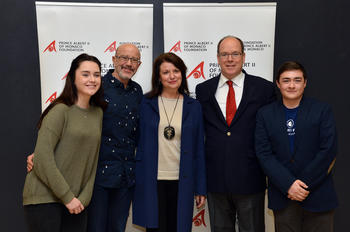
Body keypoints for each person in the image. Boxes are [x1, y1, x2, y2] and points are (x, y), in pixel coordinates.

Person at [27, 43, 143, 232]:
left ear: (139, 64)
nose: (128, 63)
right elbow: (74, 122)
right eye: (124, 58)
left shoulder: (137, 92)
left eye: (134, 60)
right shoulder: (97, 88)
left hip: (125, 177)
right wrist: (39, 154)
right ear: (113, 60)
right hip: (96, 178)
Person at [195, 35, 275, 232]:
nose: (229, 59)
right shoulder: (203, 89)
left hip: (251, 179)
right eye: (224, 54)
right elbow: (200, 134)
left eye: (235, 54)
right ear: (218, 57)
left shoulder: (264, 89)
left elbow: (271, 135)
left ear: (243, 56)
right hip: (216, 181)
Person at [22, 53, 106, 232]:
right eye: (85, 74)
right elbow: (43, 158)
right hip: (45, 199)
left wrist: (83, 198)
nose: (92, 79)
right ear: (72, 78)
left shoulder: (98, 113)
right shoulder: (60, 110)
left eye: (96, 75)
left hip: (77, 202)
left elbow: (93, 161)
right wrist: (67, 197)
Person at [255, 61, 338, 232]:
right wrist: (289, 184)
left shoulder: (322, 110)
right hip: (283, 196)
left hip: (318, 195)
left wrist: (302, 185)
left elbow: (328, 150)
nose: (291, 85)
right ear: (278, 84)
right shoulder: (265, 114)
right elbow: (264, 154)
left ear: (305, 83)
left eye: (297, 80)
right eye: (286, 80)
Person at [132, 52, 206, 232]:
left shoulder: (193, 107)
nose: (172, 76)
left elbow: (199, 150)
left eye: (176, 71)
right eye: (166, 72)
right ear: (158, 77)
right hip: (152, 180)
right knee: (155, 228)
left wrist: (200, 188)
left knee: (178, 228)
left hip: (183, 181)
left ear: (182, 73)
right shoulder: (146, 104)